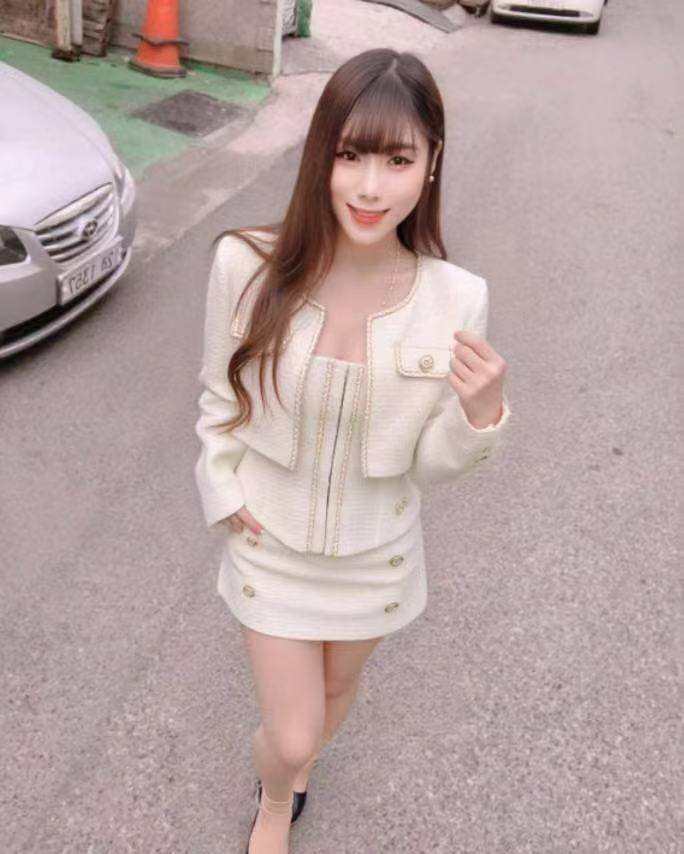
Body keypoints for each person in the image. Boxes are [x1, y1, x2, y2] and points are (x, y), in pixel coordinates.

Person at [193, 47, 511, 854]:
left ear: (431, 163)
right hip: (271, 542)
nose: (370, 188)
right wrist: (223, 490)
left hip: (378, 553)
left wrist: (479, 416)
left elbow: (427, 465)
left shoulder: (456, 297)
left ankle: (291, 776)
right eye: (350, 156)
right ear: (321, 156)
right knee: (292, 732)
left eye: (397, 161)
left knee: (338, 688)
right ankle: (276, 797)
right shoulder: (247, 265)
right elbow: (218, 397)